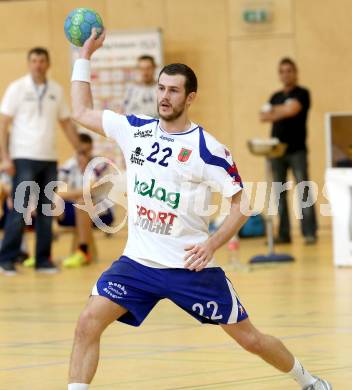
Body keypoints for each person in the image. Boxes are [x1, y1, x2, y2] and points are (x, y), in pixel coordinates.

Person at [67, 30, 331, 390]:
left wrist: (211, 244)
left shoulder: (209, 149)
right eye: (161, 88)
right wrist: (85, 55)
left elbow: (242, 204)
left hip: (189, 267)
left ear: (190, 98)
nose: (164, 96)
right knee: (87, 323)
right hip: (138, 264)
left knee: (249, 339)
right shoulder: (135, 130)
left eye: (173, 90)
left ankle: (308, 380)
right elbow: (80, 110)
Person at [0, 47, 81, 275]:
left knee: (47, 210)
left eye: (42, 60)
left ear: (48, 64)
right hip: (23, 156)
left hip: (49, 159)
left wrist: (79, 149)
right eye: (34, 60)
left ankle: (43, 260)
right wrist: (5, 157)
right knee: (20, 209)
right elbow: (3, 123)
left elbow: (66, 123)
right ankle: (6, 259)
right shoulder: (17, 88)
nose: (38, 64)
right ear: (29, 64)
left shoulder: (56, 90)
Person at [260, 57, 317, 245]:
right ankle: (284, 234)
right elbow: (264, 116)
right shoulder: (275, 96)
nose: (286, 74)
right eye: (282, 71)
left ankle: (309, 232)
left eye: (289, 71)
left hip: (297, 150)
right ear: (279, 74)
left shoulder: (303, 93)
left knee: (303, 191)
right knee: (280, 193)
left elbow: (292, 111)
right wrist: (282, 109)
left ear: (295, 72)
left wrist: (277, 111)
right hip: (276, 151)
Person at [57, 133, 114, 268]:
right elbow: (56, 191)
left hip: (102, 214)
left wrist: (67, 194)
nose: (83, 155)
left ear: (91, 149)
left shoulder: (100, 165)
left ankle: (83, 251)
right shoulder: (69, 165)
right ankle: (43, 253)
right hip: (75, 209)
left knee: (83, 202)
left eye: (86, 151)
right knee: (51, 203)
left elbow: (88, 190)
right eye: (80, 151)